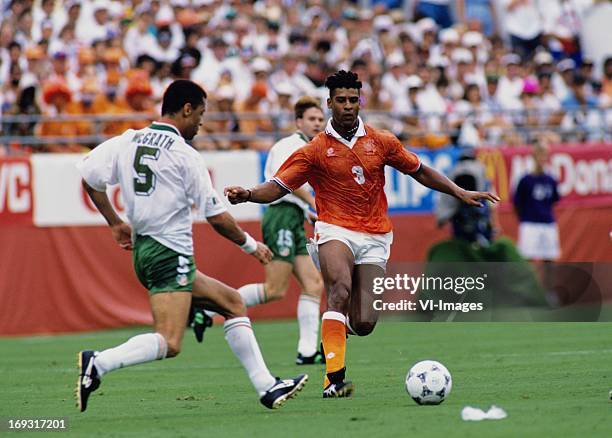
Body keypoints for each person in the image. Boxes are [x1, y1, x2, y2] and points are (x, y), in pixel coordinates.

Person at [225, 70, 500, 398]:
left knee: (365, 322)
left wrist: (458, 191)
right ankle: (334, 379)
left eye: (353, 100)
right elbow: (277, 186)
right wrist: (249, 194)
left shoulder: (381, 141)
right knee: (338, 291)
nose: (347, 106)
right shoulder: (314, 150)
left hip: (374, 235)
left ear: (360, 102)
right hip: (333, 228)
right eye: (340, 100)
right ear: (329, 103)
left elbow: (420, 170)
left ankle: (337, 328)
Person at [75, 79, 307, 412]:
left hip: (148, 251)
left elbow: (89, 177)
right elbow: (218, 218)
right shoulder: (185, 155)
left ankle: (267, 386)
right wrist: (251, 246)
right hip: (169, 254)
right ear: (186, 109)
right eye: (200, 114)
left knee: (232, 302)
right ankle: (98, 363)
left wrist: (115, 222)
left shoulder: (128, 141)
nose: (201, 122)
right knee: (169, 342)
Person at [236, 96, 326, 365]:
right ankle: (213, 304)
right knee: (275, 289)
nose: (318, 124)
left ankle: (307, 351)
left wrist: (307, 211)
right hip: (280, 216)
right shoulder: (290, 145)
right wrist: (312, 203)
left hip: (294, 216)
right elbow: (284, 181)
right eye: (312, 119)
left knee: (314, 284)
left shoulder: (312, 146)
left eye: (321, 120)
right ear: (299, 122)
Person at [513, 141, 561, 302]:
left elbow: (555, 199)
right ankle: (527, 293)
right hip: (530, 223)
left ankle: (549, 294)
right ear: (534, 157)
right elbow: (517, 202)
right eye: (539, 155)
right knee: (527, 259)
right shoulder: (525, 179)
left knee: (550, 259)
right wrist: (524, 218)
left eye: (544, 156)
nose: (542, 159)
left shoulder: (550, 179)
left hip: (547, 222)